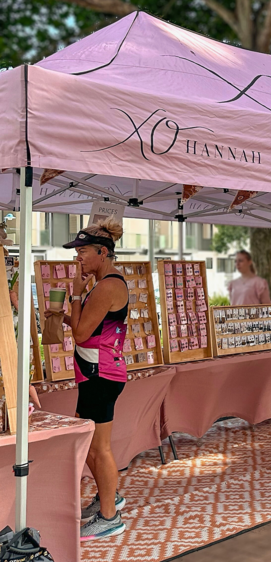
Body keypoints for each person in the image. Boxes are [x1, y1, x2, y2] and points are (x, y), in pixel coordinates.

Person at [52, 217, 129, 541]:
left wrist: (74, 295)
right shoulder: (105, 284)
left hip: (101, 374)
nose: (78, 258)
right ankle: (108, 499)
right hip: (95, 372)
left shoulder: (108, 285)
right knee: (93, 445)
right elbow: (88, 328)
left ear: (102, 251)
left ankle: (110, 516)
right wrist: (62, 316)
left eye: (82, 251)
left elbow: (83, 335)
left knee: (99, 449)